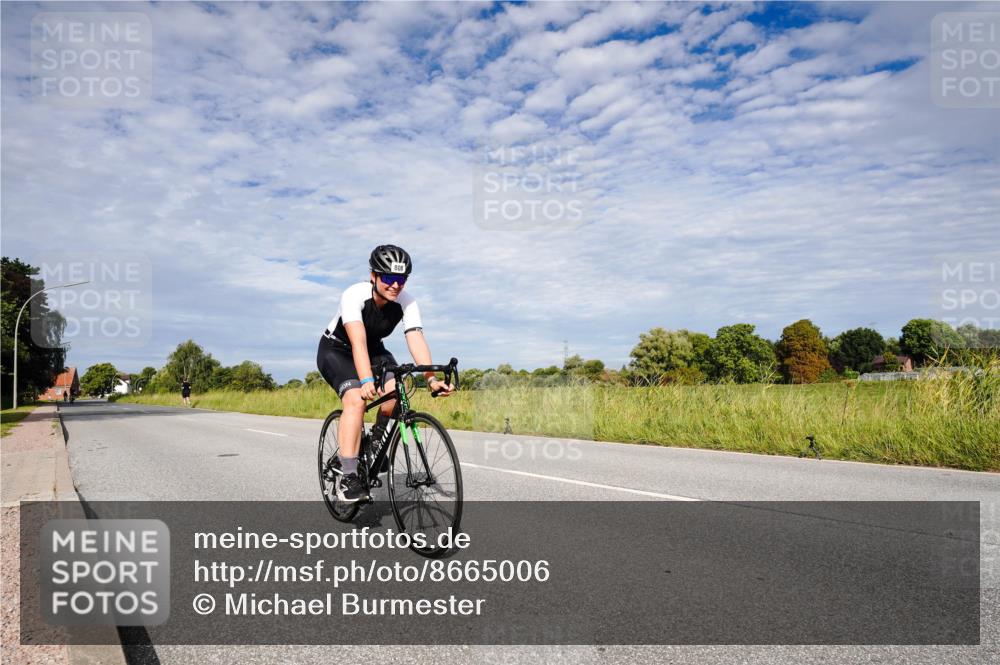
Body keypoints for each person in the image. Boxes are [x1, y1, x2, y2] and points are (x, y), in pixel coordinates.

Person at [316, 244, 454, 503]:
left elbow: (415, 337)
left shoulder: (407, 301)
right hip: (338, 350)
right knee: (357, 399)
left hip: (375, 350)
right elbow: (357, 342)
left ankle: (373, 444)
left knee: (396, 393)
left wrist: (431, 379)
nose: (395, 285)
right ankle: (348, 476)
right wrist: (366, 380)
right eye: (389, 278)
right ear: (373, 276)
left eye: (401, 279)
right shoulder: (354, 295)